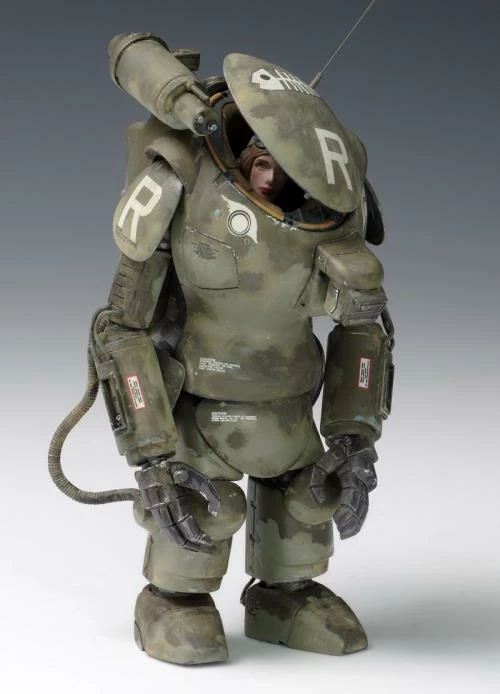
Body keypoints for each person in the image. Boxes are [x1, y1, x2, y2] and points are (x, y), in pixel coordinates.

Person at [51, 33, 394, 666]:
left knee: (309, 496)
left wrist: (353, 433)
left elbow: (365, 329)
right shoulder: (181, 175)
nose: (272, 179)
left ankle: (287, 595)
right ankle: (173, 600)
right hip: (198, 408)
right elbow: (122, 329)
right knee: (199, 511)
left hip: (291, 405)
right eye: (261, 163)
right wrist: (151, 454)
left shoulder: (337, 191)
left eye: (284, 173)